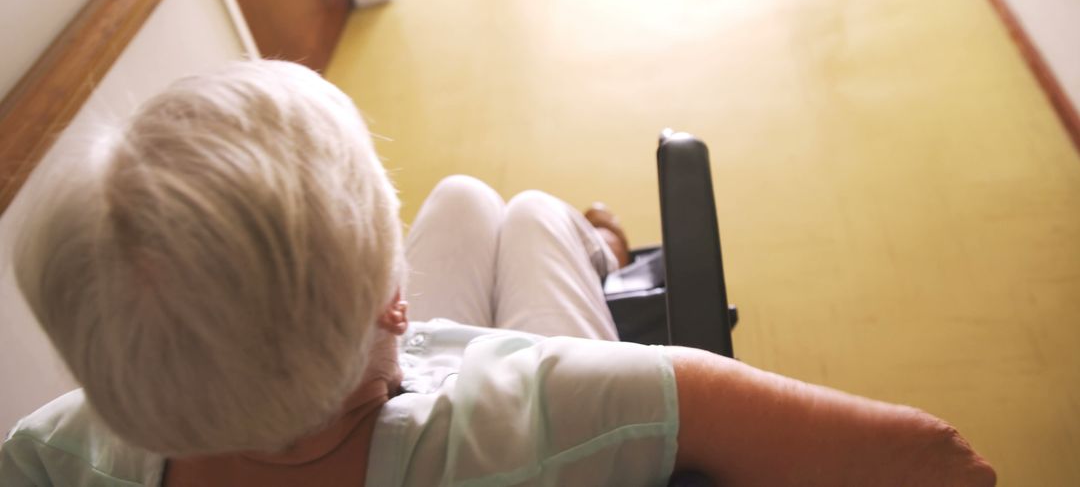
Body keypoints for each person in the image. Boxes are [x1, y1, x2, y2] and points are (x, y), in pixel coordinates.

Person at [0, 60, 995, 486]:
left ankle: (583, 243)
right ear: (398, 308)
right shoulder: (552, 421)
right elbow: (942, 464)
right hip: (468, 406)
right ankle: (587, 246)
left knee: (466, 200)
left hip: (327, 384)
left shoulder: (53, 454)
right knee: (519, 215)